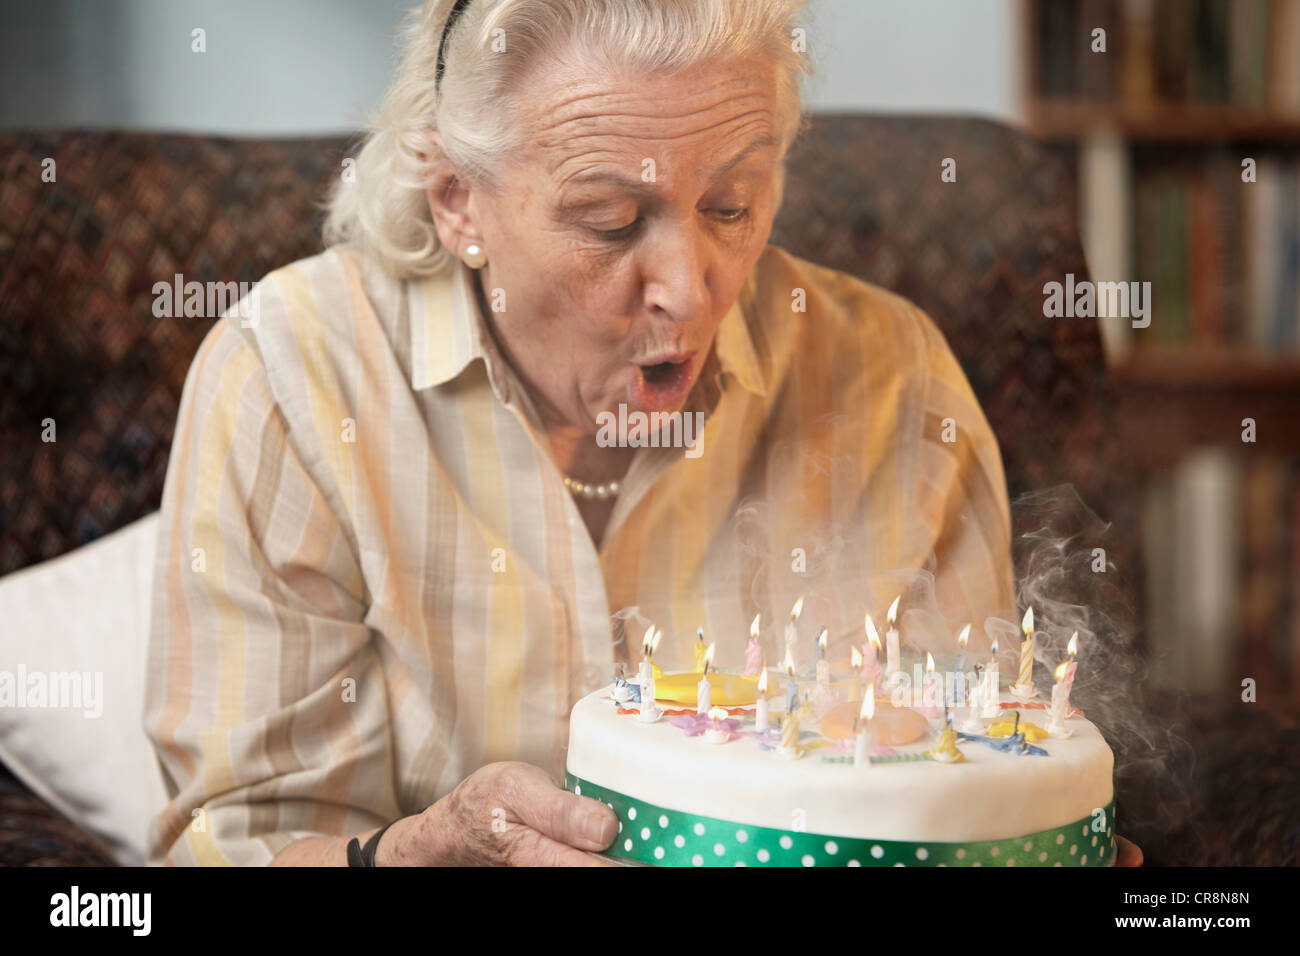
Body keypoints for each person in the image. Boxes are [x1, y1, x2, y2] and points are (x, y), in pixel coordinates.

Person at [144, 0, 1140, 867]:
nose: (692, 285)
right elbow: (240, 839)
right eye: (613, 219)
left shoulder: (891, 382)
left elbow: (947, 780)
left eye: (731, 204)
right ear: (457, 202)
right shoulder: (288, 374)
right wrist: (412, 850)